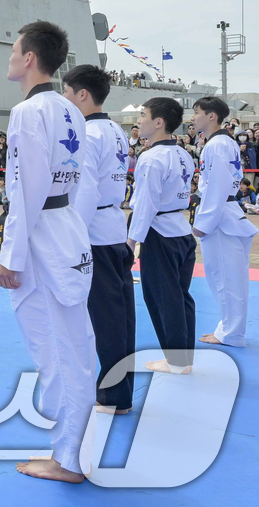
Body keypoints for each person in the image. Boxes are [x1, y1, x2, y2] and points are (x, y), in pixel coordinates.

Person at [0, 21, 95, 484]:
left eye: (14, 50)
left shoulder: (29, 113)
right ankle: (70, 451)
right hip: (68, 228)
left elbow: (26, 190)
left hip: (41, 236)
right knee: (72, 347)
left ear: (30, 58)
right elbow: (75, 183)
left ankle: (68, 459)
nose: (10, 57)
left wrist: (10, 256)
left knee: (55, 350)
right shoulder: (72, 110)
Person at [61, 64, 135, 414]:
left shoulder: (89, 134)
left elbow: (85, 191)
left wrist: (72, 236)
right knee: (121, 316)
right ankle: (119, 390)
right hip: (113, 226)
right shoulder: (115, 130)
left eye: (66, 93)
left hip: (95, 232)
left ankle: (112, 394)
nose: (64, 100)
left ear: (82, 95)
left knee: (105, 318)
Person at [128, 96, 197, 377]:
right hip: (181, 231)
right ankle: (183, 358)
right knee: (180, 296)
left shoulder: (151, 157)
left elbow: (145, 203)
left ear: (158, 122)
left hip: (160, 233)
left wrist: (131, 241)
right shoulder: (182, 153)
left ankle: (177, 362)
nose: (139, 120)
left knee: (162, 297)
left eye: (143, 115)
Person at [191, 96, 255, 348]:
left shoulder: (216, 145)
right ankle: (229, 330)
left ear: (211, 116)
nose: (192, 117)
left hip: (221, 217)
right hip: (228, 213)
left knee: (225, 279)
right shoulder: (222, 142)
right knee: (230, 279)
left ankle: (230, 333)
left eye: (196, 112)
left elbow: (216, 186)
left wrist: (202, 223)